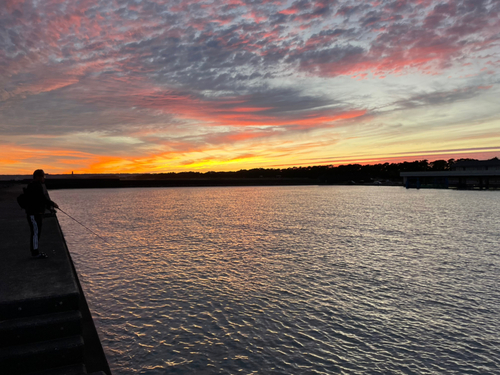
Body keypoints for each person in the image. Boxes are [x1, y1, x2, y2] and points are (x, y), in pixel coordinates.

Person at [25, 169, 59, 258]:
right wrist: (52, 204)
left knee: (37, 232)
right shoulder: (35, 186)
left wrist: (49, 208)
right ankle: (35, 253)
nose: (44, 178)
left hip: (37, 213)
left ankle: (35, 251)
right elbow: (43, 199)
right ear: (38, 177)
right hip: (33, 214)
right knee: (35, 232)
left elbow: (40, 200)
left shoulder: (36, 185)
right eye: (43, 176)